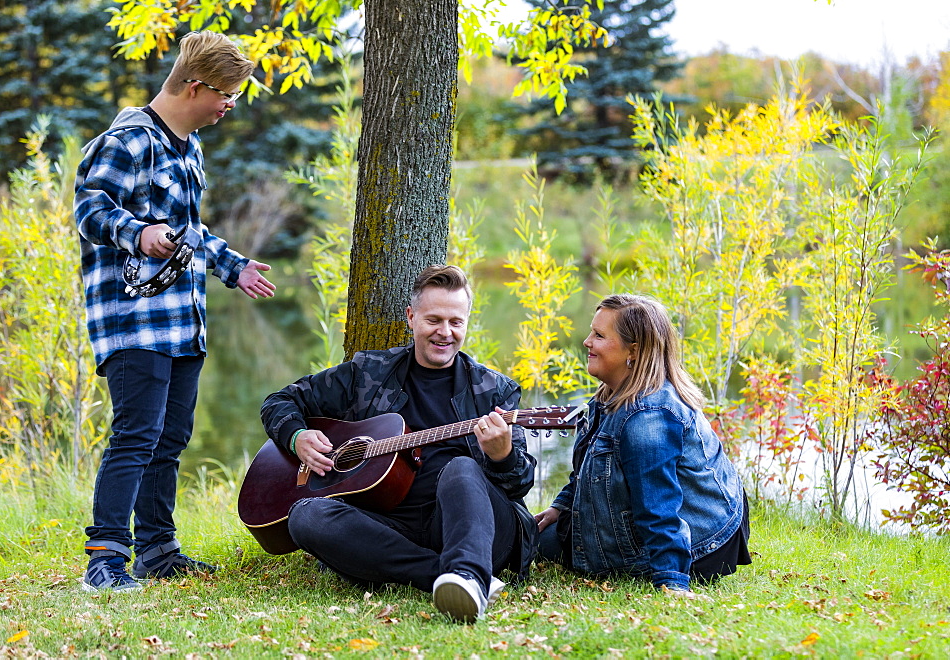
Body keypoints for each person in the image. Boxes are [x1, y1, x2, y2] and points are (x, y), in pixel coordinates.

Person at [74, 31, 276, 592]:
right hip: (133, 318)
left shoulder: (188, 148)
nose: (229, 106)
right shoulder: (129, 141)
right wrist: (138, 234)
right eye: (226, 95)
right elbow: (90, 208)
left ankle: (157, 551)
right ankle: (105, 562)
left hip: (183, 320)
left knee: (170, 437)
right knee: (136, 435)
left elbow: (189, 230)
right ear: (194, 86)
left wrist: (233, 267)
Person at [260, 265, 537, 622]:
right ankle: (446, 577)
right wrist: (297, 437)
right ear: (411, 317)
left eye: (456, 322)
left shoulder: (494, 390)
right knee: (306, 515)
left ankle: (468, 572)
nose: (445, 333)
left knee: (461, 467)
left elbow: (519, 486)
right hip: (386, 527)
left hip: (470, 529)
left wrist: (502, 457)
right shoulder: (369, 373)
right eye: (434, 320)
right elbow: (280, 401)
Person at [535, 294, 750, 595]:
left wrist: (672, 581)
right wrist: (561, 507)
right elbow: (587, 469)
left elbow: (658, 505)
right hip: (647, 519)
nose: (587, 342)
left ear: (633, 351)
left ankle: (670, 569)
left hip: (701, 543)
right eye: (591, 332)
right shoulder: (609, 395)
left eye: (599, 335)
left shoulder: (648, 417)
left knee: (529, 545)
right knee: (529, 538)